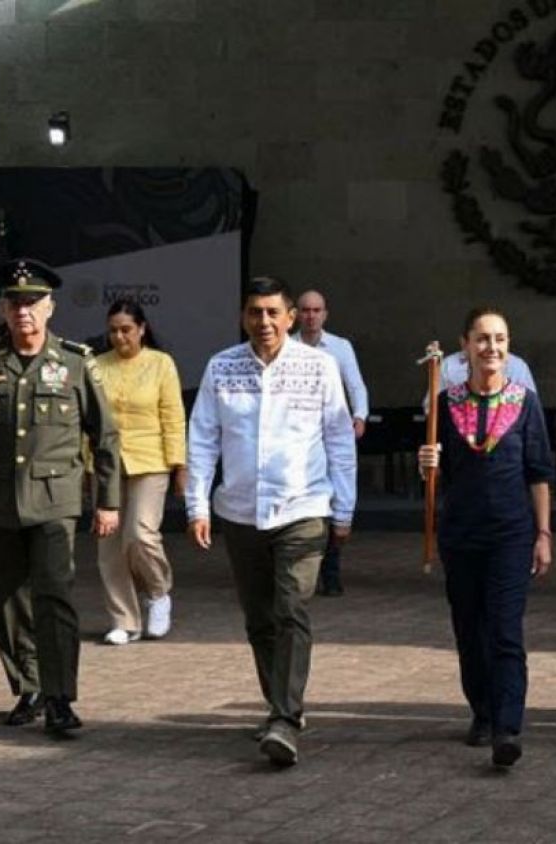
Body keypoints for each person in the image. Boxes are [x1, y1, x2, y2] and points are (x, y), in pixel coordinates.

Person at [0, 259, 120, 736]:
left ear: (50, 308)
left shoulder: (77, 363)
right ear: (3, 308)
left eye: (33, 302)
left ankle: (60, 696)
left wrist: (108, 502)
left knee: (55, 598)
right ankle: (28, 687)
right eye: (15, 302)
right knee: (10, 601)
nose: (23, 311)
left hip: (56, 502)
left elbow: (106, 437)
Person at [186, 276, 356, 768]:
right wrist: (197, 505)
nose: (264, 322)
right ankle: (279, 706)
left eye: (272, 313)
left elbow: (340, 441)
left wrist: (343, 509)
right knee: (260, 618)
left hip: (302, 509)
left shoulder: (319, 367)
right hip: (240, 512)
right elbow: (202, 440)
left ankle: (285, 716)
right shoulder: (223, 368)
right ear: (244, 317)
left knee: (290, 608)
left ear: (290, 317)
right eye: (254, 313)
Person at [417, 306, 554, 769]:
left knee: (504, 630)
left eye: (499, 339)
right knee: (470, 629)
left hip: (511, 534)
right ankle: (482, 710)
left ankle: (507, 726)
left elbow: (538, 473)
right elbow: (443, 476)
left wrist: (543, 532)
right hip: (461, 534)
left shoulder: (524, 401)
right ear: (465, 346)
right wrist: (427, 467)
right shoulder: (446, 403)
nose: (491, 348)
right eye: (482, 339)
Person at [93, 300, 186, 645]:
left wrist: (180, 466)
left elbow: (173, 416)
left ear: (142, 329)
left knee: (140, 533)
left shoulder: (161, 364)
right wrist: (88, 466)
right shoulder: (96, 365)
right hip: (107, 462)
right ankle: (124, 620)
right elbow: (89, 422)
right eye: (114, 330)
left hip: (151, 459)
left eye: (126, 329)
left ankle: (159, 594)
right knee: (109, 544)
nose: (120, 337)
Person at [293, 289, 369, 597]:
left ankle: (331, 566)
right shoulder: (287, 347)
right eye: (305, 310)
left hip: (333, 432)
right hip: (299, 435)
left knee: (337, 499)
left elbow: (356, 385)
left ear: (325, 314)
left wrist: (360, 415)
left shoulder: (339, 347)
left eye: (317, 310)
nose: (311, 315)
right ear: (296, 314)